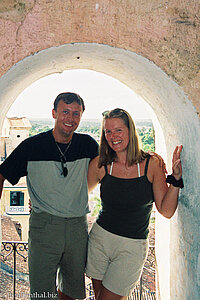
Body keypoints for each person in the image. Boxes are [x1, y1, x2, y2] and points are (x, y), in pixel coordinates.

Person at [0, 92, 99, 300]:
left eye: (76, 113)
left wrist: (147, 159)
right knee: (42, 292)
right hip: (44, 227)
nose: (70, 118)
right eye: (65, 112)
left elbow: (114, 164)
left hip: (77, 228)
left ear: (81, 116)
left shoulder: (88, 145)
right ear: (54, 113)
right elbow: (2, 173)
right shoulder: (32, 146)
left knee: (73, 291)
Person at [86, 108, 183, 300]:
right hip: (100, 240)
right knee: (98, 297)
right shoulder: (101, 164)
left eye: (118, 130)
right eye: (108, 131)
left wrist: (176, 180)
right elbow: (76, 196)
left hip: (132, 247)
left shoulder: (151, 164)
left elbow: (166, 210)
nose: (113, 136)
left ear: (130, 130)